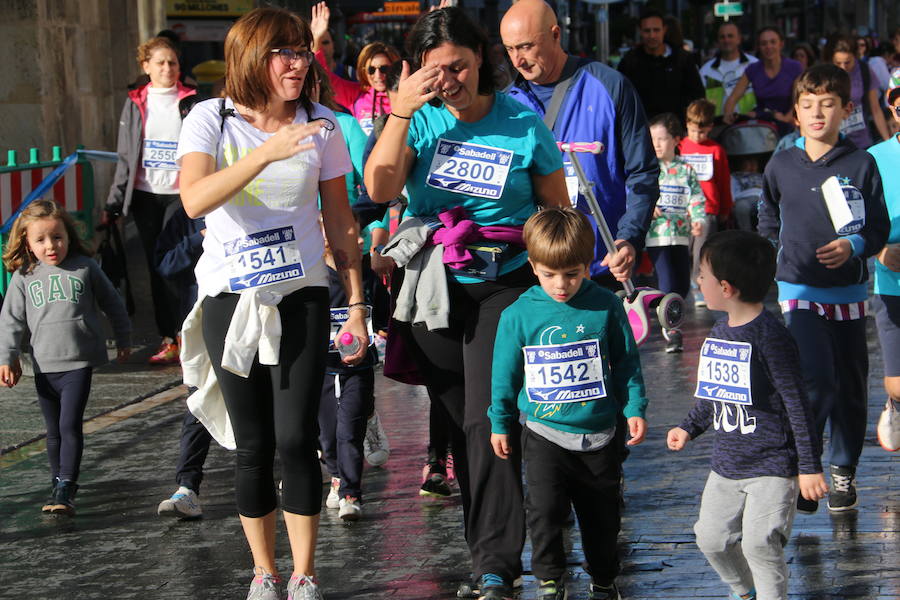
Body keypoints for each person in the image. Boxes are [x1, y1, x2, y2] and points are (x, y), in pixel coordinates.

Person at [363, 7, 568, 598]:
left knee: (489, 419)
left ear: (482, 59)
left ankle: (497, 565)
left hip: (507, 284)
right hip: (435, 289)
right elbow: (378, 188)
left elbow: (556, 214)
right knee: (462, 427)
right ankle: (488, 552)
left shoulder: (522, 123)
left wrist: (565, 286)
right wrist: (402, 108)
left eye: (459, 66)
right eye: (435, 70)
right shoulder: (419, 120)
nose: (448, 79)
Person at [176, 7, 367, 599]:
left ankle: (305, 573)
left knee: (294, 439)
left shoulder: (324, 125)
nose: (297, 61)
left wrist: (357, 301)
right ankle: (264, 571)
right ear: (250, 58)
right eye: (283, 52)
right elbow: (194, 200)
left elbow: (339, 220)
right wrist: (265, 152)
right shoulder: (211, 119)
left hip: (303, 294)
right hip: (231, 298)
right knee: (254, 443)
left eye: (301, 51)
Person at [489, 208, 648, 600]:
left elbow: (627, 360)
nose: (561, 285)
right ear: (532, 265)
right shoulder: (518, 314)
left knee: (603, 517)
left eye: (573, 274)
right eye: (549, 275)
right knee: (543, 512)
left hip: (600, 435)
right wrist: (500, 421)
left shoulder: (605, 306)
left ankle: (604, 577)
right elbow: (504, 374)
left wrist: (634, 407)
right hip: (543, 433)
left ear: (588, 265)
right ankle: (548, 578)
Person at [667, 230, 827, 600]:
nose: (698, 281)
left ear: (726, 288)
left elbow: (797, 404)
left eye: (702, 275)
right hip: (726, 465)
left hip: (773, 465)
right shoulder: (719, 333)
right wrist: (688, 427)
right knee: (711, 539)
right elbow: (711, 394)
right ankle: (746, 591)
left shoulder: (771, 337)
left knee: (760, 544)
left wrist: (809, 467)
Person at [758, 64, 889, 514]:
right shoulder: (780, 163)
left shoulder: (862, 163)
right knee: (817, 382)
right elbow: (768, 216)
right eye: (808, 105)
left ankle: (843, 469)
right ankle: (805, 466)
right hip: (797, 291)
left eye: (827, 104)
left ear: (846, 110)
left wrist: (853, 245)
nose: (817, 113)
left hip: (849, 295)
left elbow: (878, 228)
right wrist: (769, 255)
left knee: (850, 388)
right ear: (795, 113)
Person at [502, 0, 659, 287]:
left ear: (555, 34)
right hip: (533, 271)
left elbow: (643, 172)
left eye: (525, 46)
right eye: (509, 49)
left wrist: (629, 238)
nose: (517, 61)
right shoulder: (506, 103)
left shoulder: (610, 86)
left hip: (602, 266)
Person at [0, 200, 131, 515]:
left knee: (69, 423)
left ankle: (66, 486)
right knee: (53, 428)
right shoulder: (24, 276)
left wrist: (124, 337)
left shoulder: (85, 267)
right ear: (27, 244)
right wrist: (8, 356)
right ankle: (57, 480)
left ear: (69, 236)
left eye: (57, 237)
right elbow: (10, 320)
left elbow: (112, 302)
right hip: (44, 365)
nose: (50, 246)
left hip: (77, 362)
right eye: (41, 240)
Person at [105, 36, 197, 365]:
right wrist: (114, 202)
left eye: (172, 63)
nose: (167, 69)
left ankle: (188, 333)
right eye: (160, 63)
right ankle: (168, 337)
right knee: (156, 269)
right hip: (145, 195)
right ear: (146, 66)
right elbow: (126, 156)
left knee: (181, 265)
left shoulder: (190, 100)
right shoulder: (134, 102)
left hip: (179, 193)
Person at [319, 220, 380, 522]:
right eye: (351, 232)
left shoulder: (367, 274)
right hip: (323, 368)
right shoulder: (314, 279)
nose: (359, 238)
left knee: (349, 430)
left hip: (359, 365)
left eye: (360, 231)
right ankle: (335, 475)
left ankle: (351, 492)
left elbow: (383, 309)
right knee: (328, 434)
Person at [153, 203, 210, 519]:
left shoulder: (250, 200)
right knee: (198, 402)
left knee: (261, 403)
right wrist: (198, 240)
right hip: (198, 320)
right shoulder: (183, 214)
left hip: (250, 317)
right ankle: (187, 487)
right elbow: (164, 264)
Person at [646, 113, 705, 352]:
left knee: (681, 283)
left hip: (681, 235)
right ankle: (671, 330)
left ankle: (674, 320)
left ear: (676, 140)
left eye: (662, 138)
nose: (657, 144)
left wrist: (698, 219)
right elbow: (635, 195)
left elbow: (696, 197)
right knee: (668, 281)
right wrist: (648, 207)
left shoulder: (686, 169)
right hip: (657, 236)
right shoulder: (648, 169)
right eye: (653, 139)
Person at [868, 68, 900, 452]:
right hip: (890, 282)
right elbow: (852, 220)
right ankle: (894, 401)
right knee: (897, 381)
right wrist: (879, 249)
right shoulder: (873, 158)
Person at [310, 2, 400, 135]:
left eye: (384, 69)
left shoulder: (404, 95)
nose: (378, 75)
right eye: (371, 70)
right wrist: (316, 39)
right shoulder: (356, 94)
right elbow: (323, 77)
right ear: (364, 71)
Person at [679, 99, 732, 306]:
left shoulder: (716, 150)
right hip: (682, 209)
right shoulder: (680, 147)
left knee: (702, 250)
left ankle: (697, 283)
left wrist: (726, 207)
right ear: (686, 125)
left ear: (710, 128)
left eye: (701, 132)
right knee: (684, 249)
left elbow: (723, 180)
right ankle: (684, 284)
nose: (697, 136)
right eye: (692, 131)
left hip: (707, 208)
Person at [617, 8, 704, 121]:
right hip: (643, 128)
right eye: (647, 31)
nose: (652, 35)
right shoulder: (630, 61)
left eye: (656, 30)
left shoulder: (683, 59)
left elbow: (696, 95)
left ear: (664, 30)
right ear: (640, 31)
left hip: (677, 128)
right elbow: (622, 97)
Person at [724, 27, 803, 135]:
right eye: (764, 43)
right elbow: (732, 98)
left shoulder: (795, 67)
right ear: (759, 47)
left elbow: (799, 99)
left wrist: (787, 118)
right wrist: (728, 116)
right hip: (763, 126)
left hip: (789, 124)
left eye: (773, 42)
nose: (768, 47)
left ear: (781, 44)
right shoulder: (753, 69)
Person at [825, 35, 890, 149]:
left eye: (847, 62)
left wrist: (887, 142)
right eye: (838, 63)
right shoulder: (825, 75)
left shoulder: (865, 71)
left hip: (862, 142)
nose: (843, 67)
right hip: (834, 144)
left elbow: (875, 109)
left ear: (855, 57)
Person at [699, 21, 758, 117]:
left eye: (730, 36)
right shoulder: (706, 72)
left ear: (739, 39)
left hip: (750, 126)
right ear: (718, 41)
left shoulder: (754, 65)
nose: (726, 40)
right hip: (720, 127)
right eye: (722, 37)